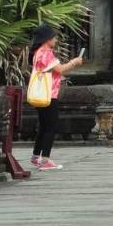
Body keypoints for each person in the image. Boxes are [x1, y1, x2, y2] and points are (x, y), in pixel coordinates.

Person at [28, 23, 83, 170]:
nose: (56, 40)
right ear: (47, 39)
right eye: (54, 37)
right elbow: (61, 69)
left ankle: (36, 156)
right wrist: (74, 62)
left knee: (43, 126)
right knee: (51, 127)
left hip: (39, 94)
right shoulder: (46, 53)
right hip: (49, 95)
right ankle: (45, 160)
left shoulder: (37, 52)